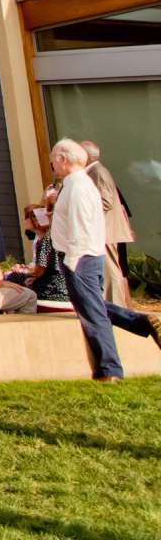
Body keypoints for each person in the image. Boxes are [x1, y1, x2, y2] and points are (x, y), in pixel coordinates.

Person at [49, 138, 159, 381]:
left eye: (53, 161)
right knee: (91, 306)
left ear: (63, 159)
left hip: (80, 257)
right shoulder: (80, 184)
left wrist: (71, 260)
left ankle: (110, 369)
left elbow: (80, 226)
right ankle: (143, 323)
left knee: (92, 313)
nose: (53, 166)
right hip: (87, 254)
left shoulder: (77, 186)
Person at [83, 140, 138, 304]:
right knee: (108, 269)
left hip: (107, 230)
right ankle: (113, 304)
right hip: (105, 229)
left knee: (111, 269)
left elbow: (105, 202)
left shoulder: (97, 172)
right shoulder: (95, 171)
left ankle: (116, 305)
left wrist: (82, 210)